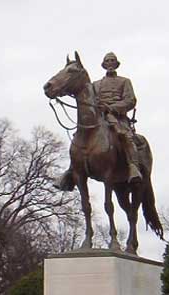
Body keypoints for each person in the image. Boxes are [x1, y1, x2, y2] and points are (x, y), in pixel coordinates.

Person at [54, 52, 142, 191]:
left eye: (113, 61)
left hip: (117, 117)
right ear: (104, 64)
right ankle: (71, 171)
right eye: (108, 61)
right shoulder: (96, 84)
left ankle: (133, 166)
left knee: (126, 136)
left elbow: (130, 100)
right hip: (99, 117)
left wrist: (112, 107)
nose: (110, 63)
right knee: (80, 137)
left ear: (116, 63)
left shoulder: (124, 81)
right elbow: (89, 98)